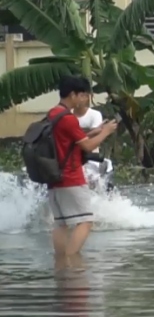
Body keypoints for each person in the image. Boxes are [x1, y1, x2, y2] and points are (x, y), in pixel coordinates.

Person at [47, 76, 119, 258]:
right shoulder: (69, 119)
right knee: (86, 221)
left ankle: (60, 262)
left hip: (54, 177)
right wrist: (106, 132)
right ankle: (70, 261)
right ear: (73, 95)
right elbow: (87, 146)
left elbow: (70, 139)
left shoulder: (53, 114)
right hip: (71, 176)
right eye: (83, 95)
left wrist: (95, 131)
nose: (85, 99)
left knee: (61, 224)